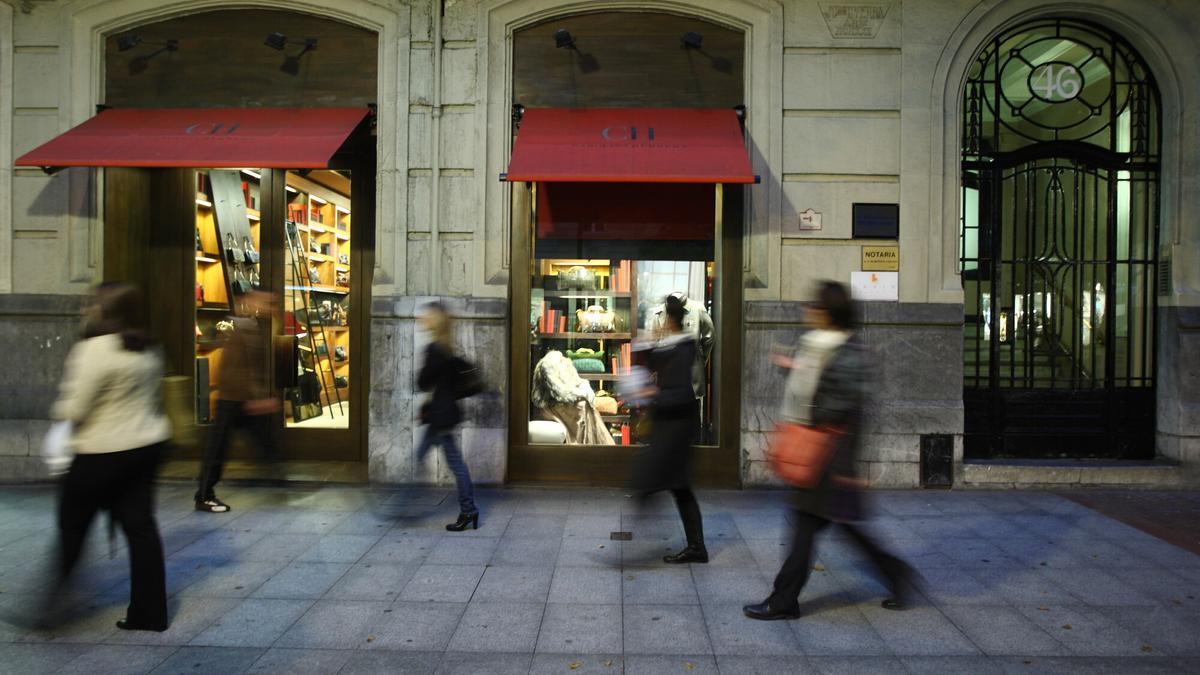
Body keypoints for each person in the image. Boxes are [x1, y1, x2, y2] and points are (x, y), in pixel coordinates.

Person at [744, 281, 911, 621]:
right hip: (822, 453)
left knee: (807, 525)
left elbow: (841, 404)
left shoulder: (847, 352)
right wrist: (795, 368)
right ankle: (896, 574)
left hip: (827, 454)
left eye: (813, 307)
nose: (806, 311)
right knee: (836, 523)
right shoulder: (818, 346)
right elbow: (818, 388)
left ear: (826, 313)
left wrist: (807, 386)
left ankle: (784, 600)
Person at [47, 283, 169, 631]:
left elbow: (74, 406)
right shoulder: (147, 348)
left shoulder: (93, 350)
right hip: (146, 445)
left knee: (72, 528)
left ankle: (51, 608)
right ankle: (150, 614)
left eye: (93, 304)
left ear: (104, 310)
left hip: (99, 451)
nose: (88, 309)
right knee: (142, 530)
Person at [631, 294, 708, 564]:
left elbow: (680, 393)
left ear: (669, 319)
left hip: (676, 427)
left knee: (675, 483)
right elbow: (650, 360)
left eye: (662, 319)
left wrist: (651, 393)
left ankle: (644, 497)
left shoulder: (683, 348)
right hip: (672, 426)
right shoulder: (676, 346)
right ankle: (697, 547)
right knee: (680, 485)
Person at [195, 289, 280, 513]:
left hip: (239, 398)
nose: (271, 308)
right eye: (266, 302)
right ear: (250, 301)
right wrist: (254, 398)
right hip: (233, 398)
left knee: (260, 441)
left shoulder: (252, 326)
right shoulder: (239, 327)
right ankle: (204, 494)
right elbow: (235, 368)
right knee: (218, 447)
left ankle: (274, 476)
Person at [416, 301, 480, 531]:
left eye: (427, 315)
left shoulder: (434, 349)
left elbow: (422, 383)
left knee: (449, 464)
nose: (422, 318)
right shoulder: (447, 347)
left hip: (439, 416)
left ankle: (468, 510)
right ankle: (468, 510)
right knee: (429, 458)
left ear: (435, 321)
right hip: (444, 413)